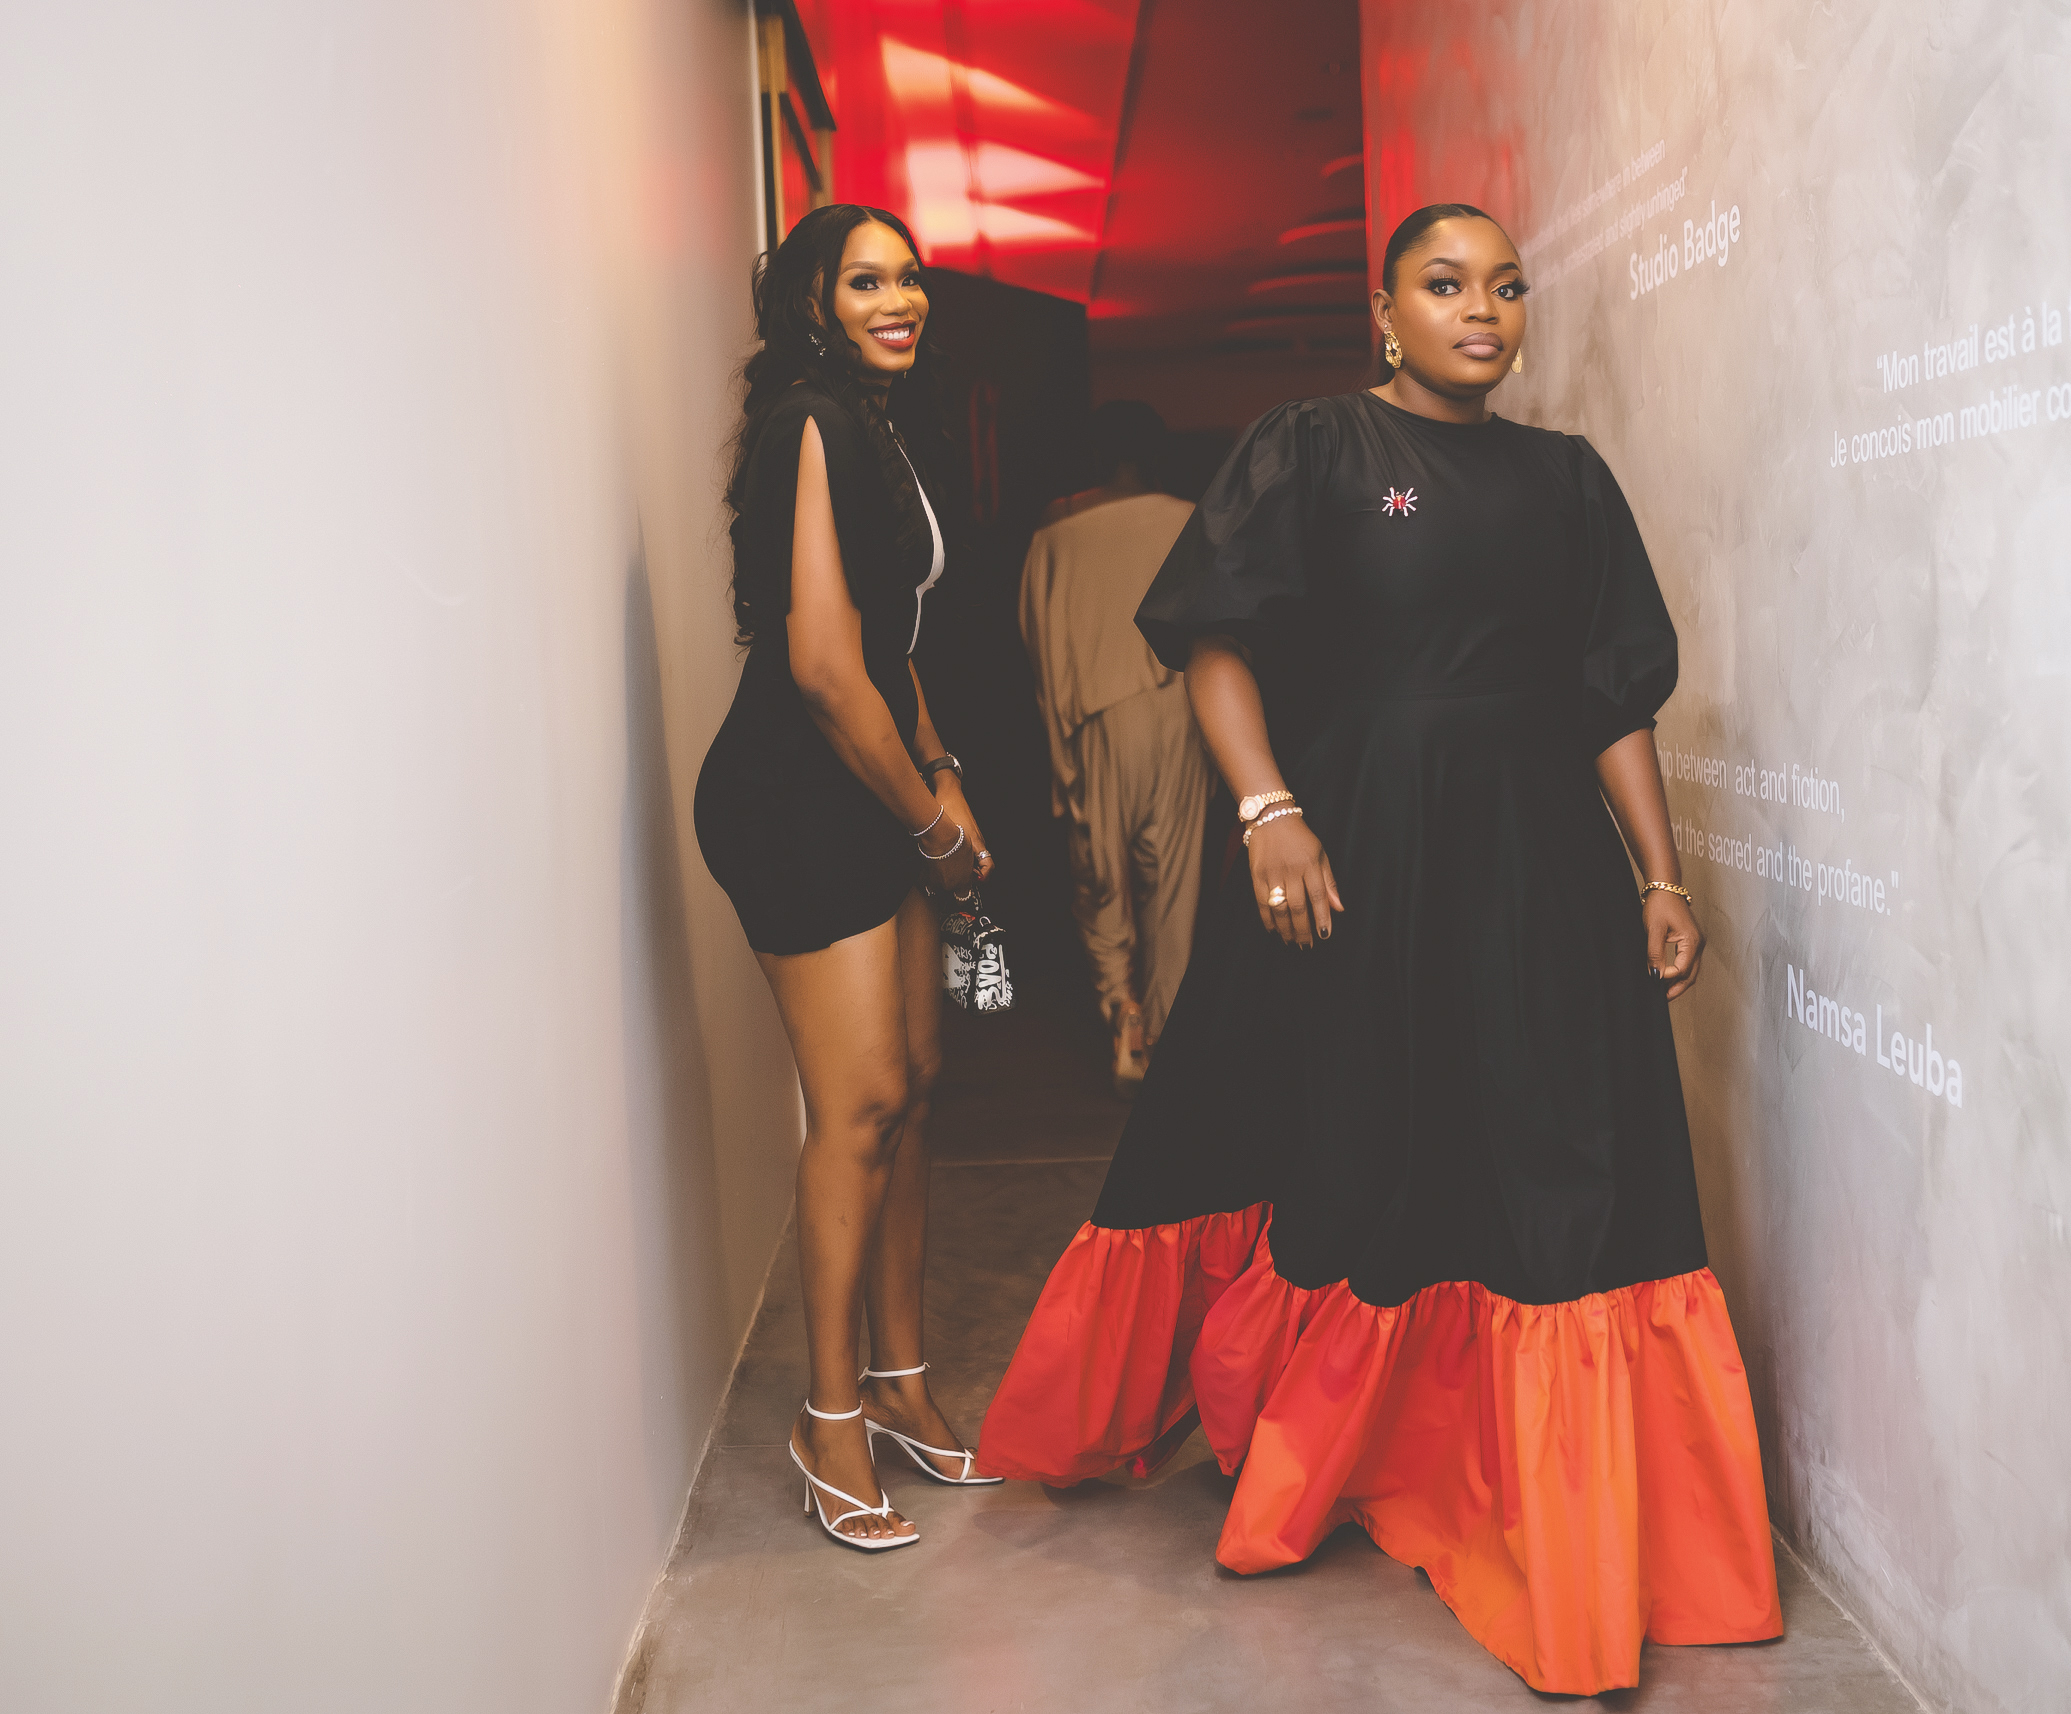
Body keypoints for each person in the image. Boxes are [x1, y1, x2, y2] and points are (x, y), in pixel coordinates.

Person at [977, 205, 1782, 1691]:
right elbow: (1214, 639)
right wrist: (1267, 808)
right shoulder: (1317, 446)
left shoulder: (1567, 478)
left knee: (1550, 1154)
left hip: (1538, 867)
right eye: (1445, 284)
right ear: (1385, 310)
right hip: (1365, 850)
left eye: (1505, 287)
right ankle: (1340, 1446)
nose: (1482, 310)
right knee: (1369, 1144)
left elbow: (1609, 698)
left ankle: (1560, 1518)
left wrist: (1659, 875)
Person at [693, 204, 1004, 1555]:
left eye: (911, 277)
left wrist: (943, 770)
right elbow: (822, 667)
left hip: (876, 775)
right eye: (866, 279)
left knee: (915, 1090)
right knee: (862, 1099)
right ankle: (826, 1421)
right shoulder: (809, 419)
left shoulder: (875, 425)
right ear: (811, 301)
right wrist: (931, 829)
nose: (901, 298)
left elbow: (889, 645)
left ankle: (899, 1383)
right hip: (794, 793)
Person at [1018, 402, 1213, 1095]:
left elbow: (1041, 650)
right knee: (1175, 880)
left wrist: (1060, 746)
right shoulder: (1194, 520)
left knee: (1100, 872)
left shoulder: (1055, 536)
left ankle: (1121, 1008)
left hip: (1096, 716)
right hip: (1182, 709)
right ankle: (1167, 1029)